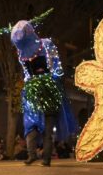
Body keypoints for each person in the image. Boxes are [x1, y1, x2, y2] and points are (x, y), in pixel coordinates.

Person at [10, 18, 76, 167]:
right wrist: (31, 85)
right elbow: (27, 74)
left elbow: (57, 66)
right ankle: (32, 154)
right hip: (34, 92)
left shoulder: (46, 44)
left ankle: (46, 158)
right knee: (30, 124)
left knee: (48, 125)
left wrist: (50, 80)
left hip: (50, 90)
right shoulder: (21, 53)